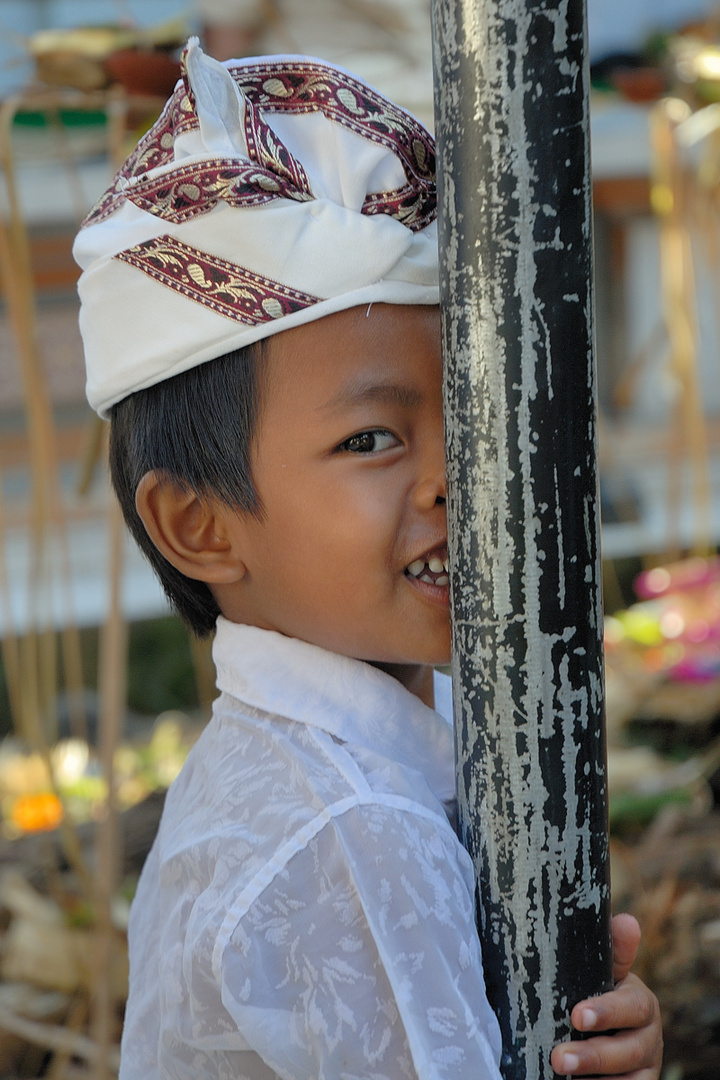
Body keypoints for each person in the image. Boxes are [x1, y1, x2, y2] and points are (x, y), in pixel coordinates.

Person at [74, 39, 663, 1079]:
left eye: (466, 415)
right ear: (201, 527)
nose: (459, 479)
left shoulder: (345, 761)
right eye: (371, 440)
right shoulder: (346, 831)